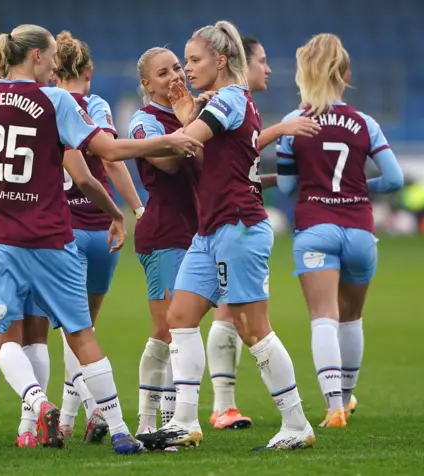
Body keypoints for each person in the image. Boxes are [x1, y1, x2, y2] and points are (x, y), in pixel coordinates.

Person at [0, 24, 202, 460]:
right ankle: (120, 432)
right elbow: (108, 152)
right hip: (50, 238)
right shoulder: (56, 101)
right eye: (48, 58)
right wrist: (170, 139)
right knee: (82, 335)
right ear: (38, 59)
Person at [136, 21, 315, 451]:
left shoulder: (231, 98)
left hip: (238, 227)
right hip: (211, 229)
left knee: (255, 329)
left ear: (220, 61)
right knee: (179, 317)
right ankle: (183, 421)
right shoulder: (228, 101)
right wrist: (188, 115)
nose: (186, 71)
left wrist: (125, 142)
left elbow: (188, 143)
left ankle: (296, 424)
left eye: (194, 60)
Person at [0, 30, 144, 447]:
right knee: (83, 330)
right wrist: (132, 209)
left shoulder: (40, 104)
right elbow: (110, 162)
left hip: (51, 233)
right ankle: (82, 418)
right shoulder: (95, 106)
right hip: (99, 230)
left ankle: (41, 425)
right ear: (89, 70)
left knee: (40, 332)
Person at [276, 33, 403, 428]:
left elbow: (284, 187)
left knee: (323, 318)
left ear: (304, 74)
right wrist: (363, 188)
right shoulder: (365, 123)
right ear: (345, 74)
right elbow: (395, 179)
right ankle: (347, 398)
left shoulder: (293, 123)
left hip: (316, 228)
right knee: (351, 319)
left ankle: (333, 407)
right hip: (360, 231)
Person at [206, 36, 321, 430]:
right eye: (263, 60)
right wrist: (281, 129)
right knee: (238, 321)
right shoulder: (233, 102)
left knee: (224, 315)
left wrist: (286, 176)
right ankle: (209, 409)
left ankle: (208, 409)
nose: (268, 68)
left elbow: (244, 171)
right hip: (227, 224)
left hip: (234, 221)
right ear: (242, 63)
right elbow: (230, 149)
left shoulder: (246, 105)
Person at [127, 47, 200, 436]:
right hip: (163, 233)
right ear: (146, 84)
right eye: (162, 73)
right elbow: (167, 161)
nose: (174, 77)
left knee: (180, 330)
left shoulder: (198, 111)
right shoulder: (145, 120)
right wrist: (189, 125)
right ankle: (156, 421)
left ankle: (162, 420)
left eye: (177, 68)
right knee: (170, 330)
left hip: (198, 230)